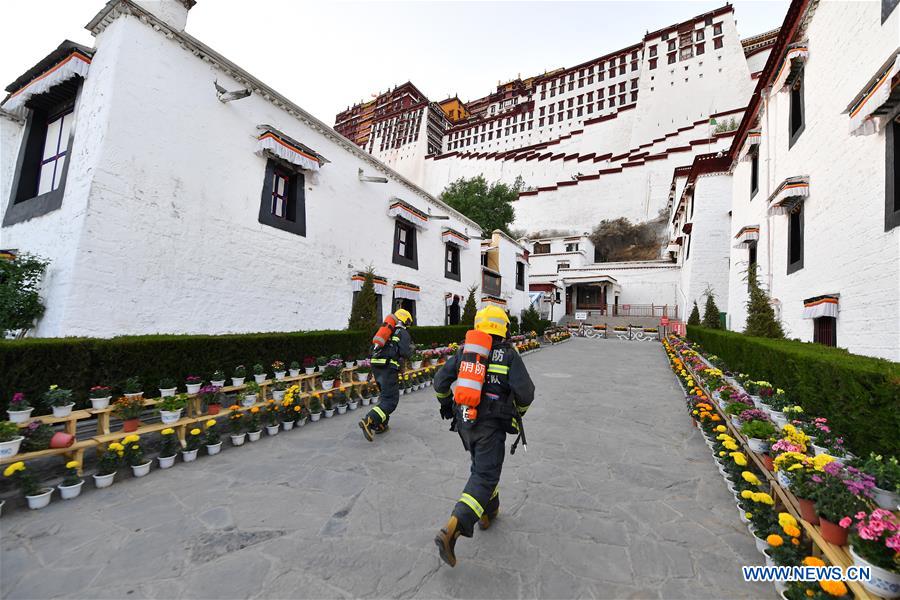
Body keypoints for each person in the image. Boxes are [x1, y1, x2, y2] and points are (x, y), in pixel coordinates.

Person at [432, 306, 535, 567]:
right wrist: (517, 412)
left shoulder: (465, 351)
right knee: (486, 474)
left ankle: (490, 510)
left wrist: (445, 405)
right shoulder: (509, 355)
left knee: (482, 468)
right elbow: (526, 393)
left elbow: (439, 382)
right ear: (504, 328)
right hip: (491, 426)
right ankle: (455, 527)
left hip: (466, 424)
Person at [358, 308, 414, 442]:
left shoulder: (387, 330)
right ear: (405, 320)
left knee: (385, 395)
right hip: (388, 367)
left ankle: (381, 425)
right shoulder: (402, 332)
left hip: (377, 366)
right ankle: (370, 420)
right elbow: (405, 352)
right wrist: (412, 351)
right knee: (391, 400)